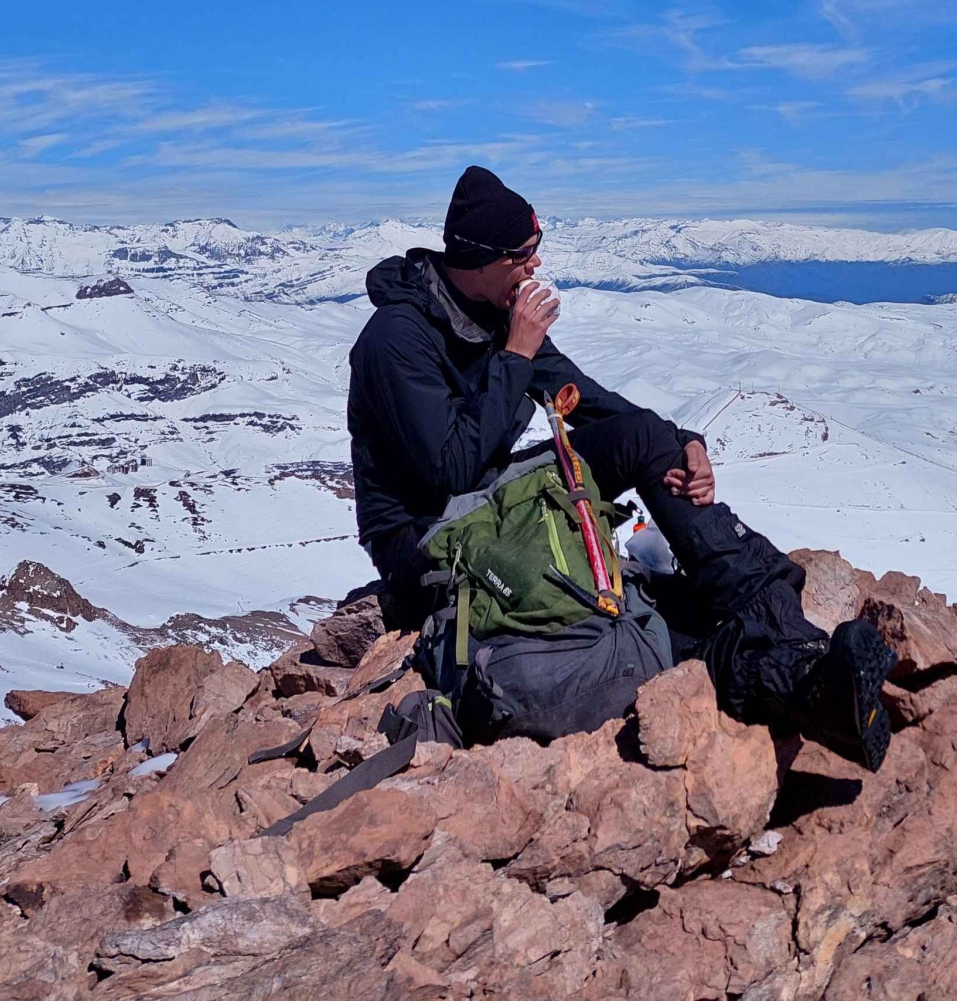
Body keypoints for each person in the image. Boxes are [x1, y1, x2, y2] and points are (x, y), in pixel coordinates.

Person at [347, 166, 895, 770]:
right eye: (523, 255)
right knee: (626, 616)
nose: (535, 266)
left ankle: (795, 643)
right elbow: (448, 471)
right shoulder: (396, 338)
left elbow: (588, 401)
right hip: (424, 536)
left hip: (491, 500)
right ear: (483, 258)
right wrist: (515, 356)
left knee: (643, 438)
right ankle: (799, 682)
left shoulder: (496, 317)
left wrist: (681, 443)